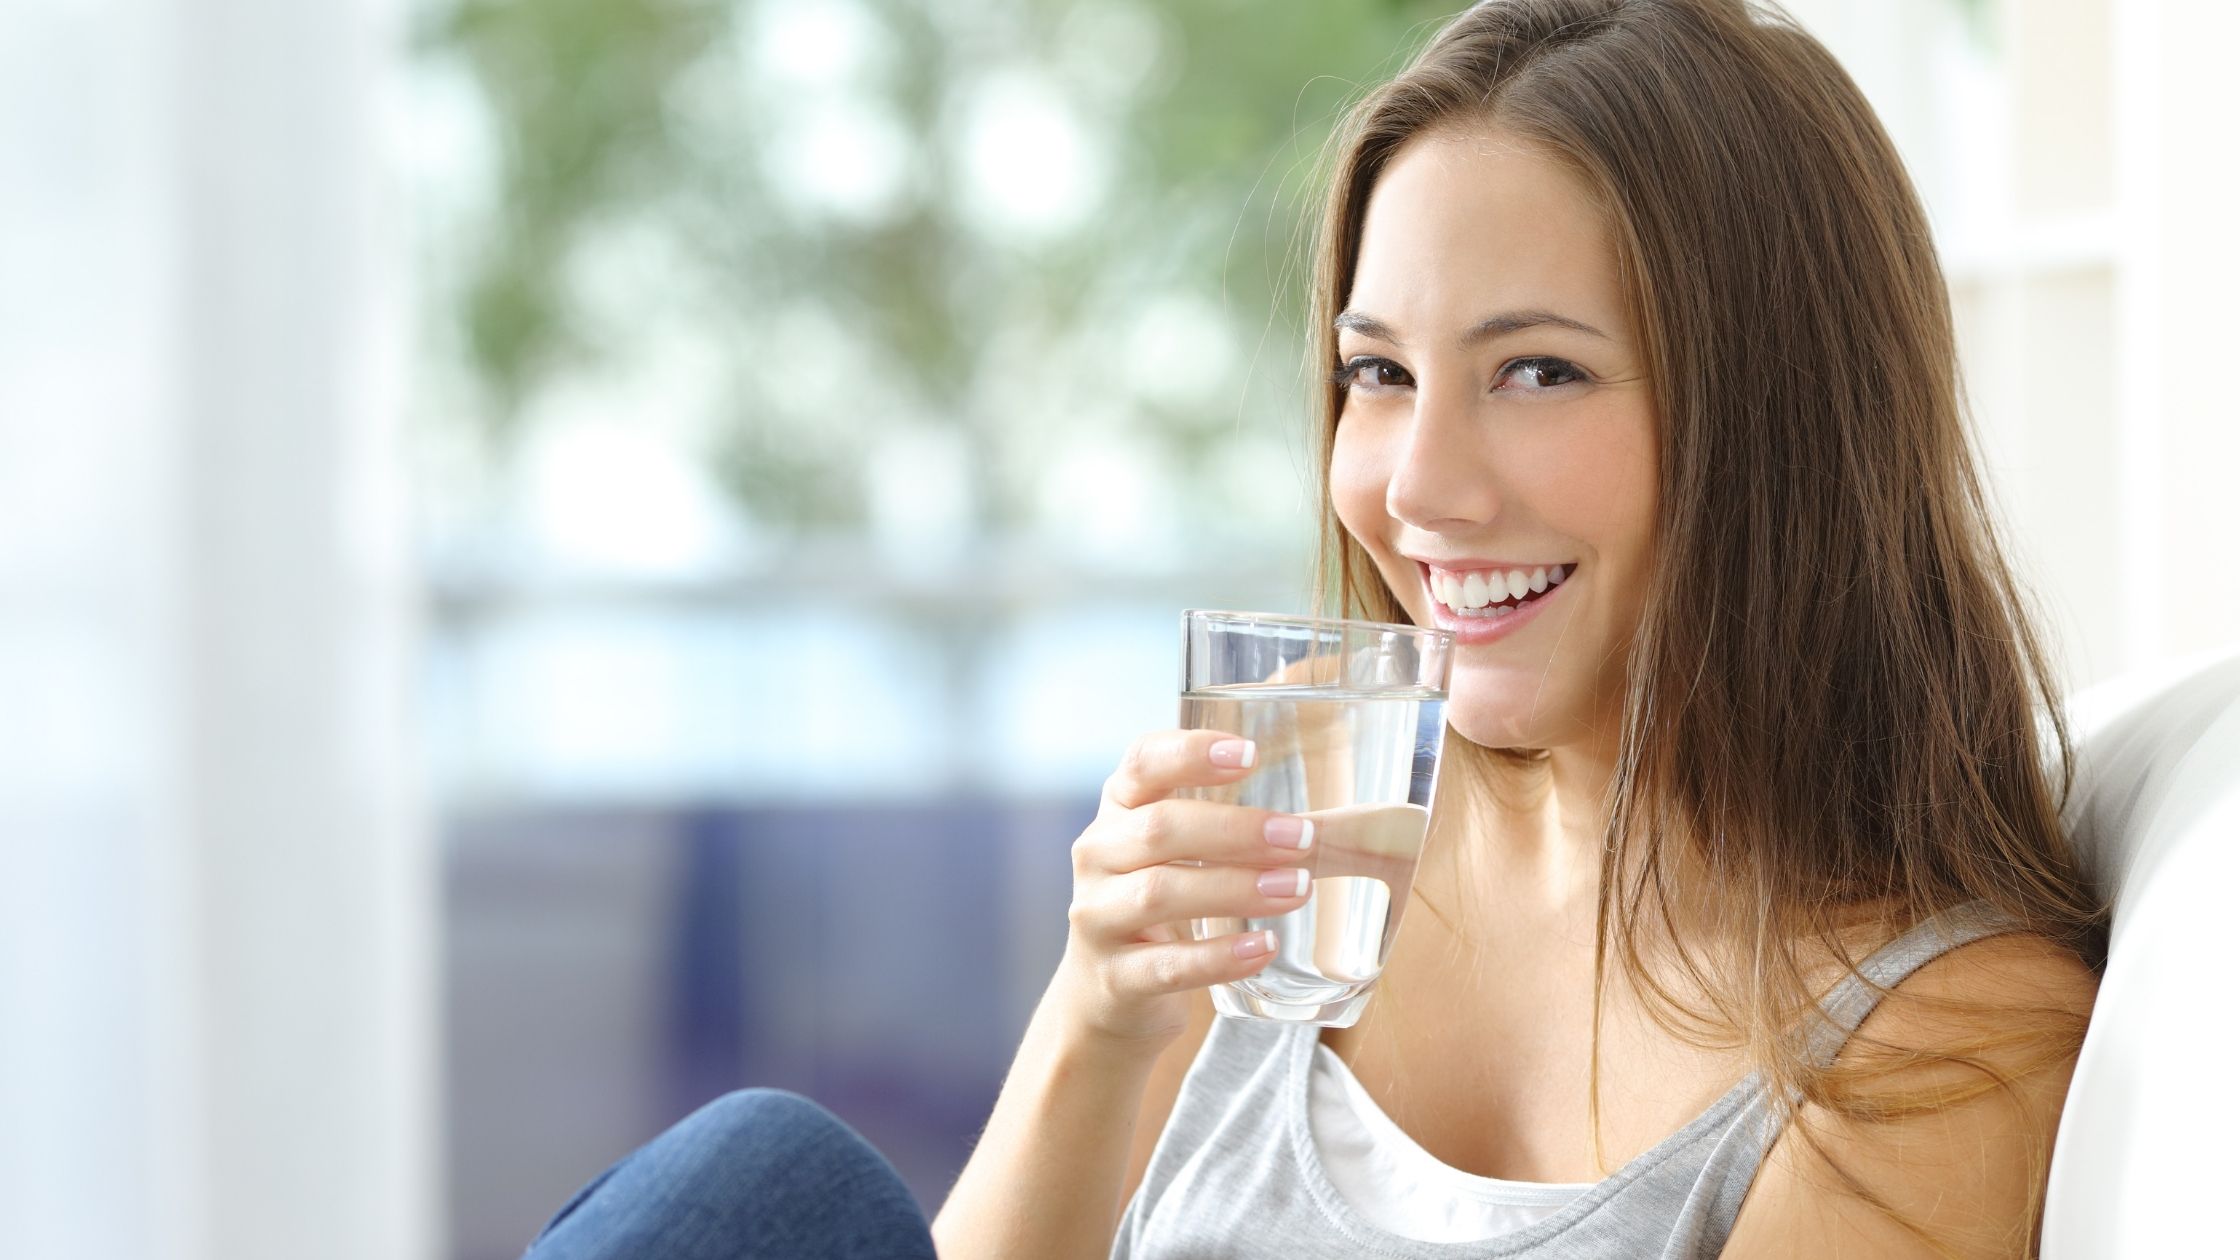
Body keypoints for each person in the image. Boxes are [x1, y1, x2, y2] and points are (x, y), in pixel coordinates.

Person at [523, 0, 2106, 1256]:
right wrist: (1100, 1017)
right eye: (1379, 374)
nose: (1417, 489)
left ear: (1779, 423)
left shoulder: (1938, 1040)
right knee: (770, 1184)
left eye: (1536, 372)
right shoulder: (1317, 841)